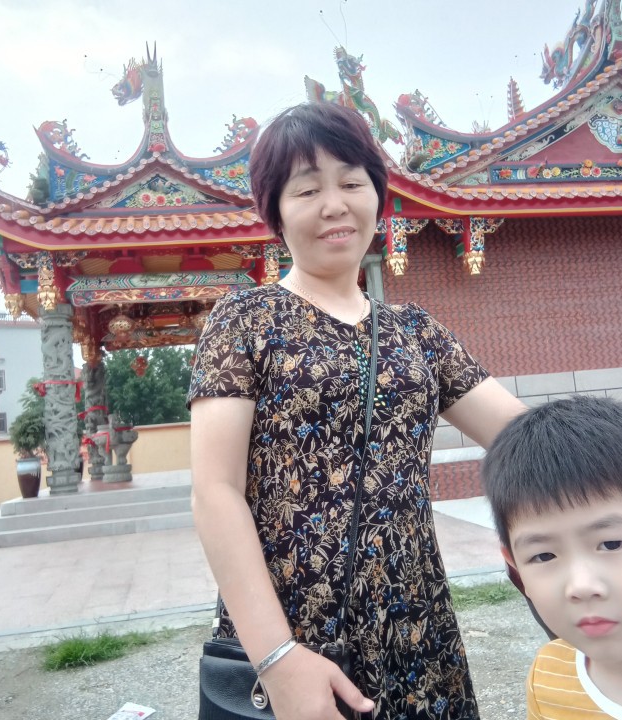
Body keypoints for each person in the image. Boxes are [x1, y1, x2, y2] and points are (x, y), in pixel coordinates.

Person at [188, 102, 525, 720]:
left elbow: (526, 438)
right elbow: (215, 491)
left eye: (351, 182)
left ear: (377, 194)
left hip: (418, 630)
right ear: (275, 212)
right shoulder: (244, 320)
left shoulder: (415, 332)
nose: (334, 204)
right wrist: (277, 658)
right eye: (306, 189)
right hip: (295, 631)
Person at [482, 395, 622, 719]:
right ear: (516, 568)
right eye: (544, 555)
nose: (581, 586)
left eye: (611, 544)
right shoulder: (548, 677)